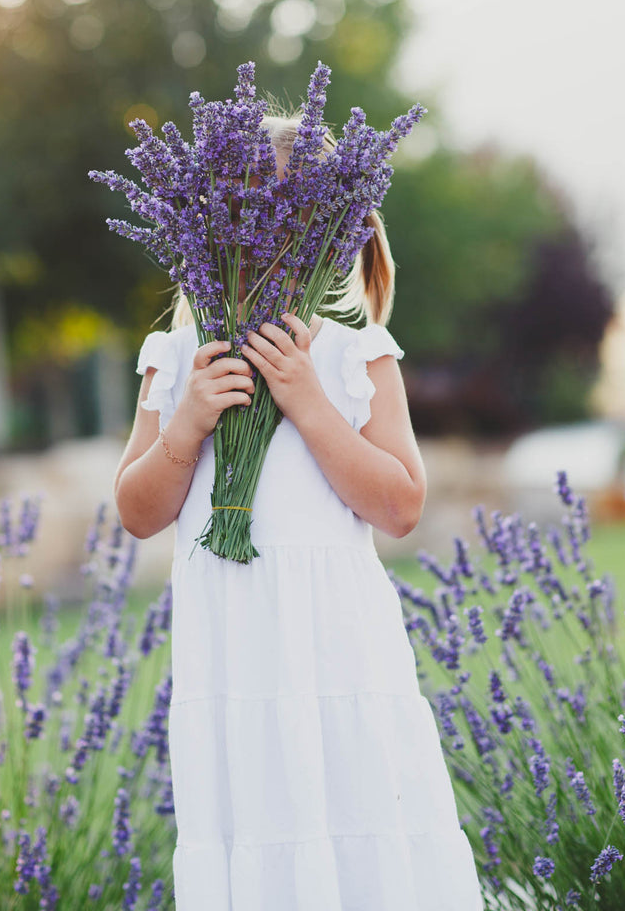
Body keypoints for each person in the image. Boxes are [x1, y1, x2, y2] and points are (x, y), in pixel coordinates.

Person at [114, 108, 484, 910]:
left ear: (334, 234)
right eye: (244, 217)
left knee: (355, 820)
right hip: (231, 657)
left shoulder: (358, 352)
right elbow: (138, 512)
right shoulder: (178, 357)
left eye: (296, 221)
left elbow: (400, 505)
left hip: (334, 650)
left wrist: (309, 403)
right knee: (256, 829)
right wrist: (188, 423)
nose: (267, 242)